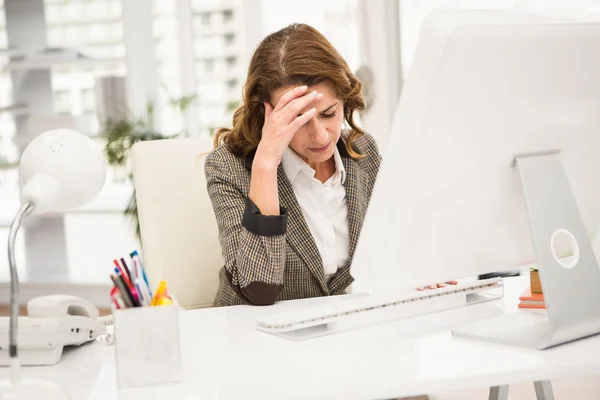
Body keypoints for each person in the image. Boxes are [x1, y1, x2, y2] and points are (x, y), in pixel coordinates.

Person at [205, 23, 452, 308]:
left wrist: (421, 271)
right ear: (266, 114)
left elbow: (391, 246)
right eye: (298, 119)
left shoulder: (362, 153)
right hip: (247, 334)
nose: (321, 136)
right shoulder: (228, 168)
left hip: (331, 332)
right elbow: (259, 290)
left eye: (329, 113)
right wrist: (265, 167)